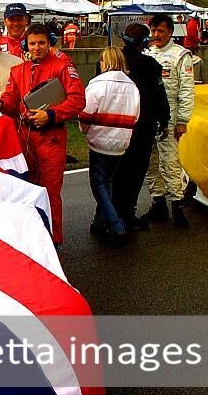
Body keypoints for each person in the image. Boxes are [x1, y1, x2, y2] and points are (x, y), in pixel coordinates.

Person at [0, 23, 85, 244]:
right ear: (26, 45)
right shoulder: (18, 70)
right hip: (24, 139)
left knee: (50, 193)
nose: (37, 47)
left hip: (51, 138)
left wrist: (50, 115)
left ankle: (53, 242)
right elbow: (11, 100)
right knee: (25, 190)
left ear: (49, 43)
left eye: (41, 43)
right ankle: (31, 240)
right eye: (33, 43)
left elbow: (78, 100)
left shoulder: (62, 66)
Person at [111, 23, 171, 233]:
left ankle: (105, 216)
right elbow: (159, 96)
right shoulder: (151, 65)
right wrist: (164, 121)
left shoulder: (110, 61)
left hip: (114, 127)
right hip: (141, 128)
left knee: (114, 175)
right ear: (144, 43)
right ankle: (126, 217)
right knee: (135, 174)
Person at [79, 47, 140, 245]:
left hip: (100, 139)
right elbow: (136, 115)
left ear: (104, 62)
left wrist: (85, 130)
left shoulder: (97, 84)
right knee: (108, 182)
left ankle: (115, 224)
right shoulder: (132, 86)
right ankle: (101, 220)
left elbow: (85, 113)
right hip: (121, 141)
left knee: (98, 183)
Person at [142, 14, 195, 228]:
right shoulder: (146, 54)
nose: (156, 35)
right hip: (148, 118)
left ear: (170, 32)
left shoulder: (180, 55)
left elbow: (187, 91)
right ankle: (159, 203)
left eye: (160, 31)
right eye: (153, 31)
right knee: (151, 162)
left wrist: (182, 120)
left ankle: (178, 206)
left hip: (170, 117)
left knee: (170, 162)